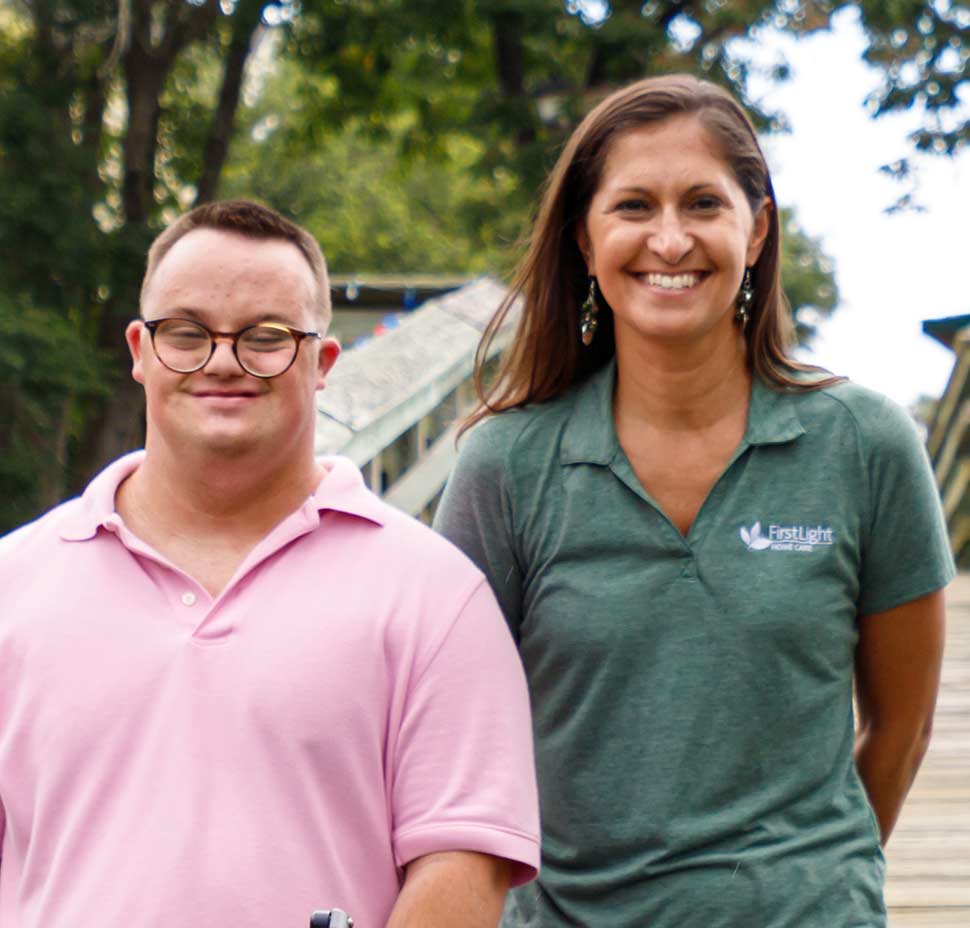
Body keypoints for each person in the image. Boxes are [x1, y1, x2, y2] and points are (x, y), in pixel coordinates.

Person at [433, 74, 954, 927]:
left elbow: (901, 728)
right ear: (585, 239)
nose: (670, 240)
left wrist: (818, 882)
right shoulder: (506, 464)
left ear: (757, 230)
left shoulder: (866, 444)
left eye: (704, 204)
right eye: (634, 206)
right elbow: (447, 740)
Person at [0, 200, 540, 926]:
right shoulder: (14, 584)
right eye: (186, 333)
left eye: (266, 338)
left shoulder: (437, 598)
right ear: (139, 349)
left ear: (322, 363)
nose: (224, 361)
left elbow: (464, 867)